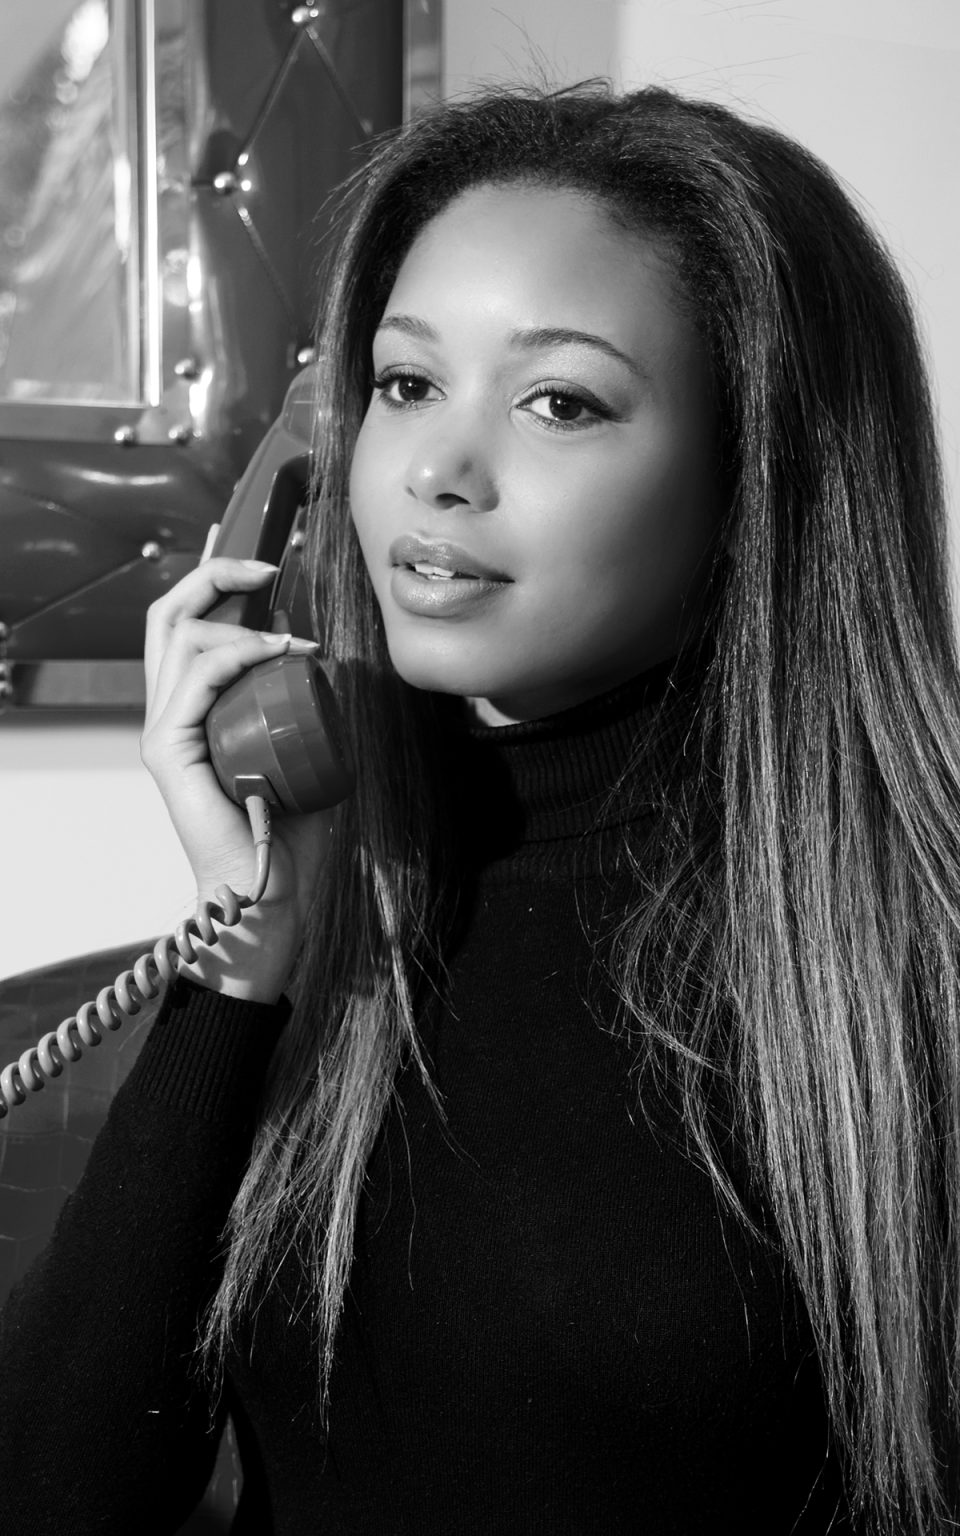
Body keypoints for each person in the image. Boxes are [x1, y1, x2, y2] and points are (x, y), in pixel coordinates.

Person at [1, 81, 958, 1534]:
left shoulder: (898, 979)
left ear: (758, 478)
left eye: (559, 402)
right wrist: (246, 950)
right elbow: (54, 1495)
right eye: (405, 385)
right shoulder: (335, 917)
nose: (436, 475)